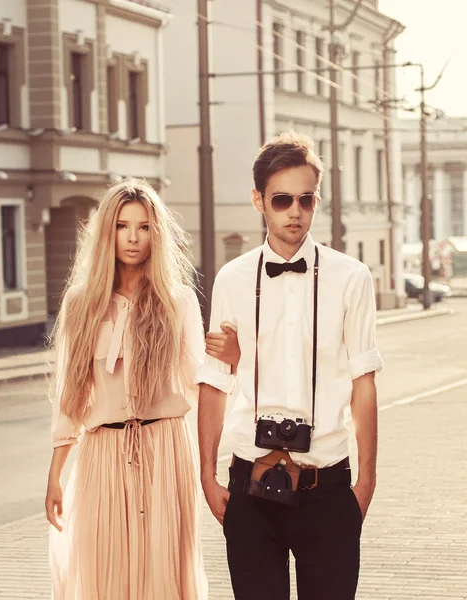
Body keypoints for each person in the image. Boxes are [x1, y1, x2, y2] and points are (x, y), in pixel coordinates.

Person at [195, 132, 384, 600]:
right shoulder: (232, 278)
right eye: (282, 199)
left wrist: (366, 481)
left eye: (306, 199)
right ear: (259, 200)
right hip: (250, 484)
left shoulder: (352, 277)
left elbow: (364, 382)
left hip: (327, 484)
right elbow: (215, 382)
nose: (295, 211)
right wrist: (206, 474)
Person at [45, 179, 232, 600]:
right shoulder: (80, 304)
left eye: (144, 227)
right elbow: (69, 396)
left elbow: (200, 384)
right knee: (101, 568)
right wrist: (55, 475)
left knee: (161, 573)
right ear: (106, 232)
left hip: (164, 451)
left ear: (157, 234)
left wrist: (213, 465)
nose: (132, 237)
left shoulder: (177, 300)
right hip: (102, 454)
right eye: (122, 226)